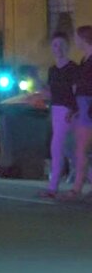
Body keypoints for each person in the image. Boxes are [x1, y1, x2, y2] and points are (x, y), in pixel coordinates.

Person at [39, 32, 78, 197]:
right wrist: (40, 93)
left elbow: (77, 92)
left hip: (68, 111)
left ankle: (53, 187)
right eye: (55, 45)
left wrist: (74, 109)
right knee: (70, 150)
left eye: (61, 45)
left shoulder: (73, 68)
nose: (58, 48)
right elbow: (51, 93)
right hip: (56, 111)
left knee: (57, 147)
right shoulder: (53, 70)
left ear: (67, 47)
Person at [61, 26, 92, 200]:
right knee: (77, 147)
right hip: (83, 106)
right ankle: (78, 186)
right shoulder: (84, 60)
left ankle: (77, 188)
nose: (75, 40)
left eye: (76, 37)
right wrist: (74, 108)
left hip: (88, 106)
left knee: (80, 148)